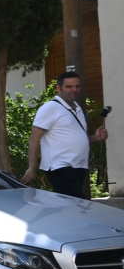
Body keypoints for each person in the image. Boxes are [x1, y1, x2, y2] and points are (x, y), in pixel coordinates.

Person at [22, 71, 109, 199]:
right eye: (69, 86)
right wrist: (32, 168)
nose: (74, 90)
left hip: (78, 166)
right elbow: (34, 138)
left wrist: (95, 137)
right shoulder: (50, 107)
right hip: (60, 167)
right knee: (77, 204)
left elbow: (74, 138)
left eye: (77, 86)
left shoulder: (77, 108)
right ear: (59, 88)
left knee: (68, 205)